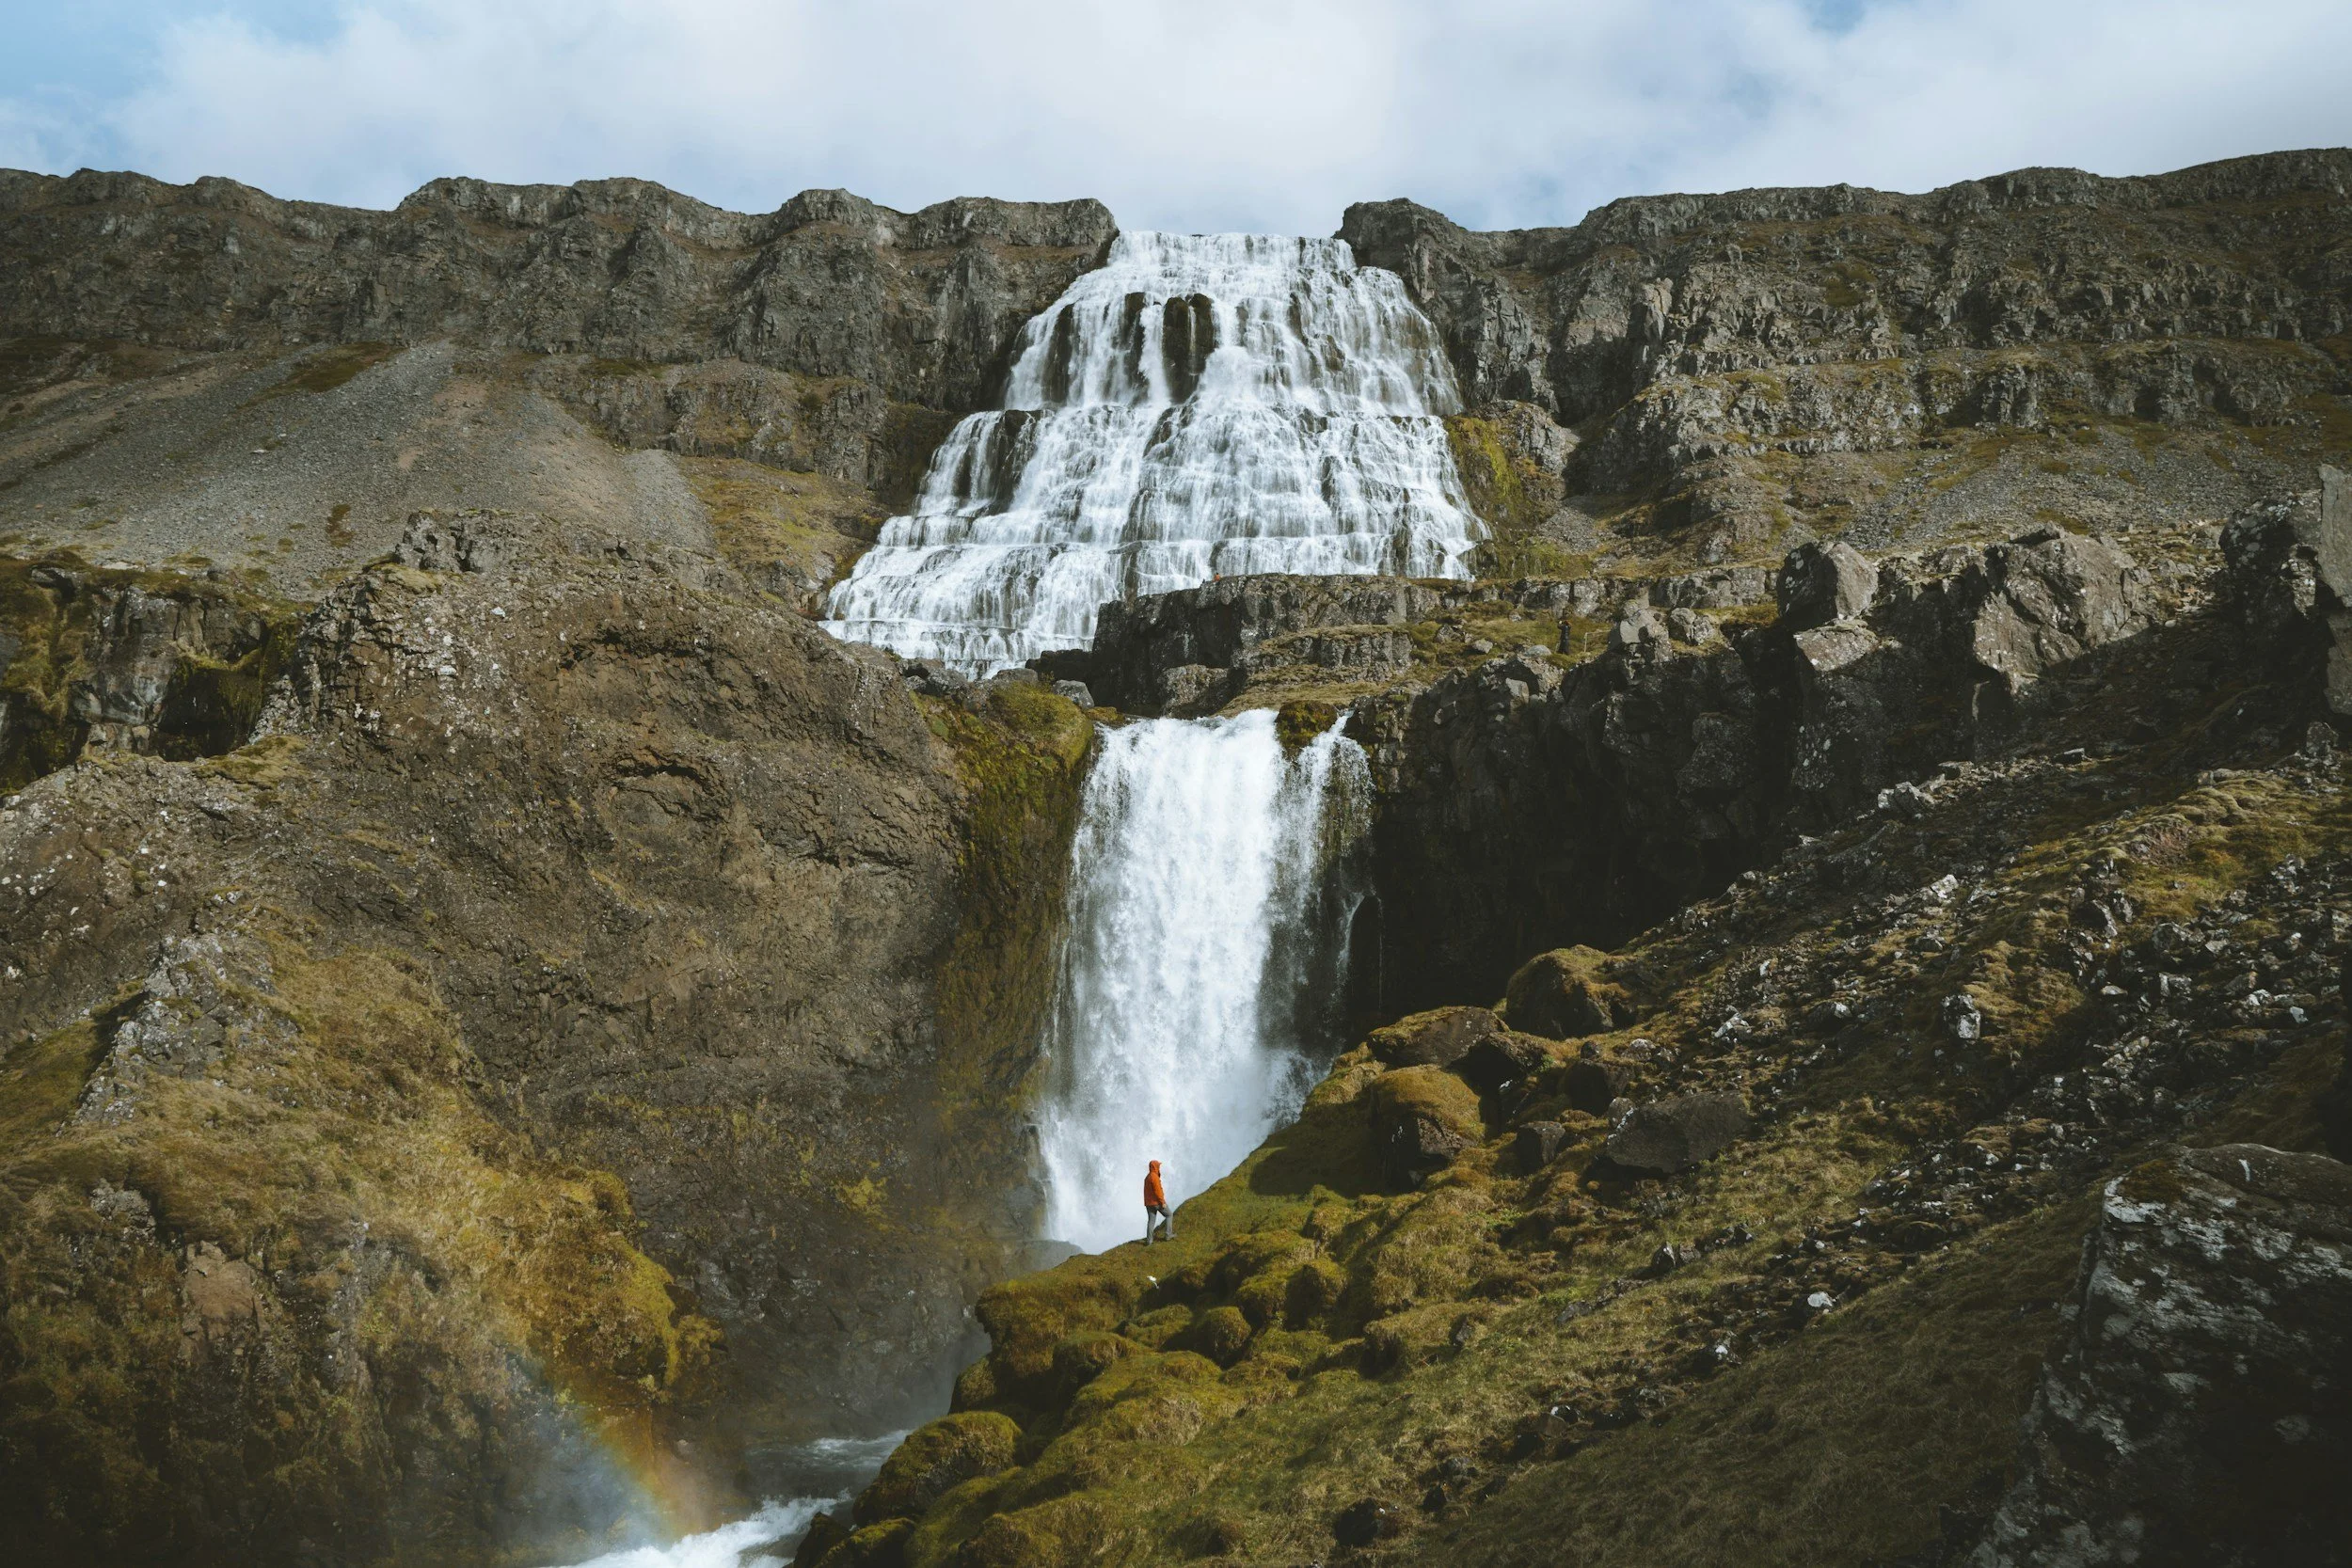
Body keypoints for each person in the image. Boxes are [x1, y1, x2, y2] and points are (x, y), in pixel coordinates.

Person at [1143, 1160, 1172, 1244]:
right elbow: (1158, 1191)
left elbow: (1146, 1192)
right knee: (1169, 1215)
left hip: (1149, 1204)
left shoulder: (1147, 1177)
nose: (1159, 1167)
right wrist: (1162, 1202)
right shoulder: (1154, 1177)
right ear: (1155, 1167)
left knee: (1151, 1221)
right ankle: (1168, 1235)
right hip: (1157, 1202)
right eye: (1158, 1166)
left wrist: (1147, 1202)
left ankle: (1149, 1241)